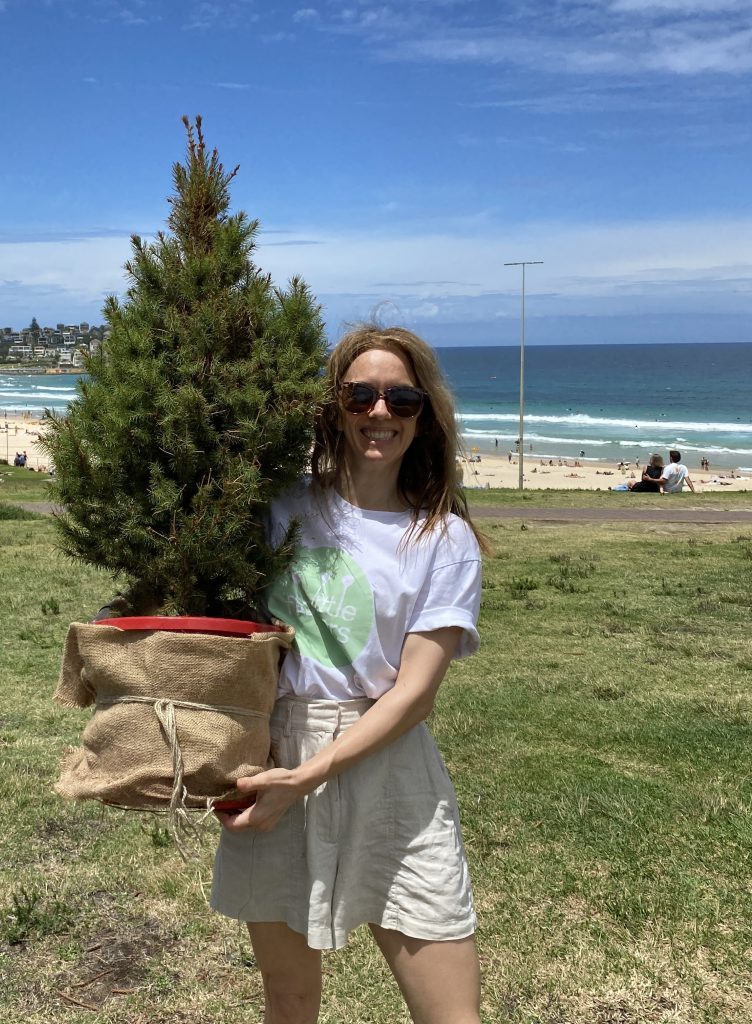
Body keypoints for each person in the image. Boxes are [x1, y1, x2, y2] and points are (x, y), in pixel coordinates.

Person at [212, 326, 487, 1024]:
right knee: (290, 1001)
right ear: (335, 405)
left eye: (401, 397)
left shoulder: (442, 537)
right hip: (279, 746)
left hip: (387, 759)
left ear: (424, 414)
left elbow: (416, 695)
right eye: (360, 393)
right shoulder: (280, 507)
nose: (380, 411)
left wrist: (310, 777)